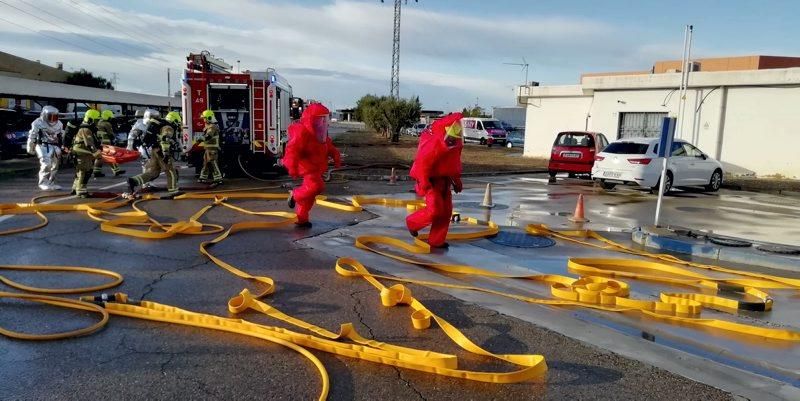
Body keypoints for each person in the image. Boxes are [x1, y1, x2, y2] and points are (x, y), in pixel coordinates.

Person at [406, 112, 464, 248]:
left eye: (454, 139)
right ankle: (412, 222)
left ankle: (436, 241)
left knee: (446, 212)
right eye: (450, 138)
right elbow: (422, 163)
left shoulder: (455, 145)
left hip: (445, 182)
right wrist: (424, 181)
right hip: (432, 182)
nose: (452, 141)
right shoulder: (434, 145)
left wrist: (457, 181)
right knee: (435, 210)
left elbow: (453, 165)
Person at [283, 103, 341, 228]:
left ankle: (302, 219)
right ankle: (295, 195)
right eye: (320, 119)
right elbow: (292, 150)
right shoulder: (303, 134)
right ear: (311, 120)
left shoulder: (321, 135)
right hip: (308, 167)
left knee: (309, 197)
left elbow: (329, 147)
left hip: (316, 167)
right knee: (316, 186)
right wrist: (291, 166)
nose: (323, 122)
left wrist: (336, 156)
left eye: (324, 119)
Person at [123, 109, 170, 199]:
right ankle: (146, 184)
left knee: (149, 166)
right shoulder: (140, 123)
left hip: (151, 147)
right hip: (145, 147)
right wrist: (129, 147)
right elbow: (132, 135)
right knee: (147, 165)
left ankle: (147, 183)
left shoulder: (153, 124)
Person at [26, 106, 64, 190]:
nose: (53, 119)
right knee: (46, 164)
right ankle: (43, 182)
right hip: (42, 145)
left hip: (54, 146)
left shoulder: (59, 124)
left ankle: (51, 182)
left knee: (55, 166)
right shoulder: (37, 122)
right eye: (51, 116)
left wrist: (63, 145)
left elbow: (62, 135)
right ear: (45, 115)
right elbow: (32, 135)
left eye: (55, 117)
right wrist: (30, 147)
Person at [71, 109, 103, 197]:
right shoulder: (86, 129)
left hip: (82, 151)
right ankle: (81, 191)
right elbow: (89, 143)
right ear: (90, 119)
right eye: (96, 120)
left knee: (80, 171)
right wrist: (96, 152)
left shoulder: (86, 128)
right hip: (82, 152)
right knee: (85, 171)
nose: (97, 122)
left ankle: (75, 188)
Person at [94, 110, 125, 177]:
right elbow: (111, 134)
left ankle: (96, 172)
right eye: (110, 117)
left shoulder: (99, 122)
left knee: (99, 157)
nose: (111, 118)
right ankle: (117, 171)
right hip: (106, 142)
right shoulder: (107, 124)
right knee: (110, 156)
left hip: (99, 143)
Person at [197, 109, 222, 185]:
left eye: (205, 118)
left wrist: (201, 139)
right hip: (208, 149)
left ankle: (218, 179)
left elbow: (209, 136)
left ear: (209, 118)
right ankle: (203, 177)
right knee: (206, 163)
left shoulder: (212, 127)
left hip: (212, 149)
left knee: (213, 163)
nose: (204, 120)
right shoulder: (208, 126)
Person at [127, 109, 149, 173]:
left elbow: (131, 136)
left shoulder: (138, 123)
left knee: (145, 163)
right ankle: (146, 180)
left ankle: (146, 180)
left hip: (143, 146)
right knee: (147, 163)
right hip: (148, 146)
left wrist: (129, 146)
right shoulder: (144, 123)